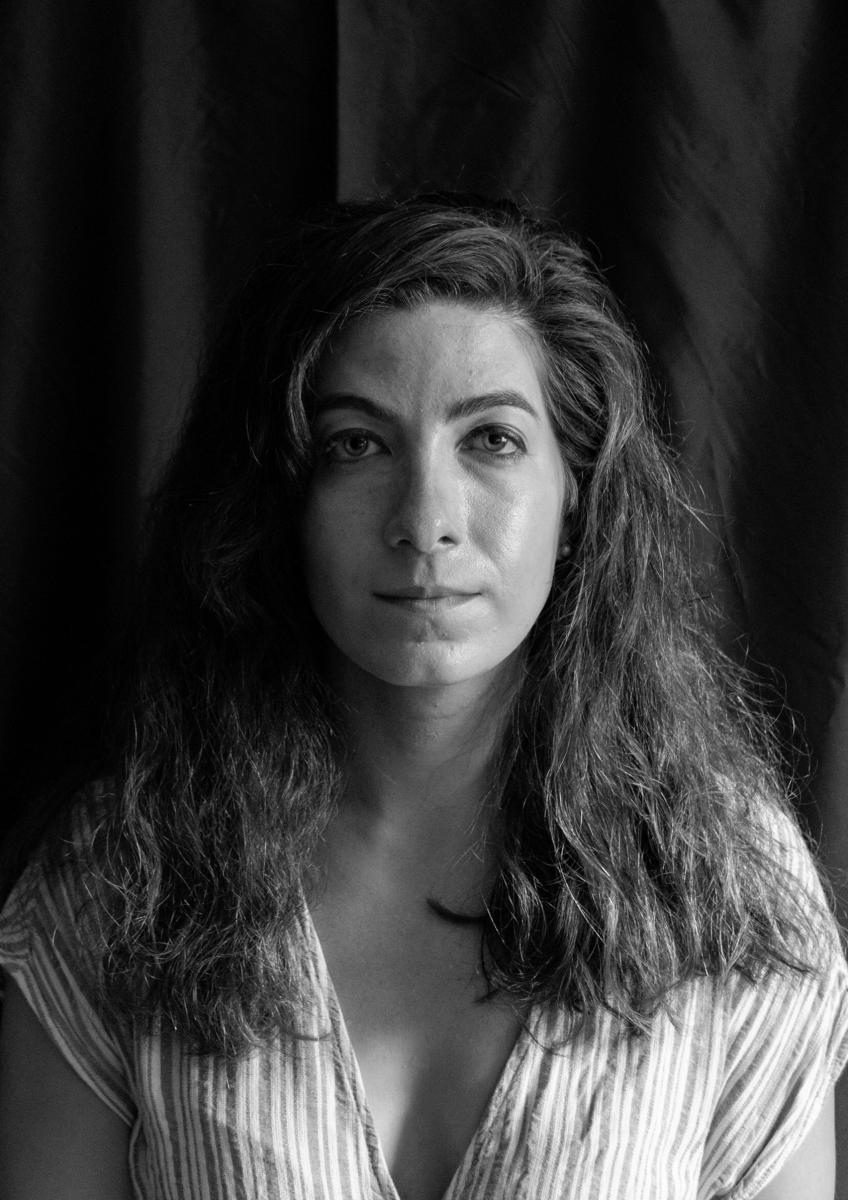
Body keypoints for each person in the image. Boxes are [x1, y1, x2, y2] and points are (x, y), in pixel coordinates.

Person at [0, 194, 845, 1200]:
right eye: (356, 444)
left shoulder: (729, 892)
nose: (425, 520)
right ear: (279, 497)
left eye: (490, 439)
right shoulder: (123, 880)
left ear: (575, 491)